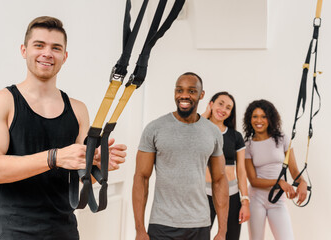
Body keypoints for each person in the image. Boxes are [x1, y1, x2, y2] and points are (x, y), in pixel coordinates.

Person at [0, 16, 127, 239]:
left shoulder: (78, 110)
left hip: (64, 231)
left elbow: (80, 177)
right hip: (12, 233)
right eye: (39, 45)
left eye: (56, 48)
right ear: (24, 50)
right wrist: (54, 157)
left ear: (65, 56)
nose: (47, 53)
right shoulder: (0, 101)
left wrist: (96, 164)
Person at [132, 72, 229, 240]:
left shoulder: (212, 132)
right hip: (162, 224)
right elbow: (141, 178)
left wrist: (222, 231)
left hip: (199, 224)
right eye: (179, 90)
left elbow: (219, 179)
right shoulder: (154, 129)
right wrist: (139, 230)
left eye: (191, 91)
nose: (184, 95)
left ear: (201, 95)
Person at [243, 99, 308, 240]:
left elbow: (294, 171)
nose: (258, 120)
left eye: (263, 116)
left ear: (270, 118)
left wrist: (303, 183)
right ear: (249, 119)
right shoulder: (248, 145)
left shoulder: (283, 139)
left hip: (277, 201)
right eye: (255, 116)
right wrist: (280, 183)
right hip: (256, 200)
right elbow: (253, 181)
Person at [202, 92, 250, 240]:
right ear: (211, 104)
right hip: (203, 195)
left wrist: (245, 201)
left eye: (228, 108)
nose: (223, 109)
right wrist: (205, 114)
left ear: (231, 113)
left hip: (231, 195)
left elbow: (241, 171)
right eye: (220, 104)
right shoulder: (199, 129)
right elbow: (187, 130)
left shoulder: (235, 136)